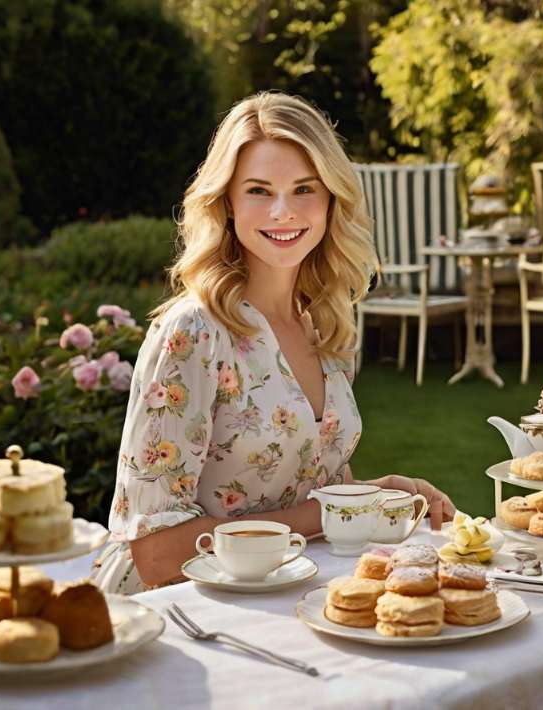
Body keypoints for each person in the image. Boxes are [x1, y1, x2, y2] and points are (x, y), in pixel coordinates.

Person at [93, 92, 456, 594]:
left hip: (284, 594)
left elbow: (303, 489)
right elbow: (156, 554)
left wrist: (378, 495)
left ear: (331, 198)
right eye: (259, 191)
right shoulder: (194, 333)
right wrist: (341, 509)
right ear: (227, 204)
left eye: (304, 188)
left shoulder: (328, 328)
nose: (283, 212)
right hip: (180, 614)